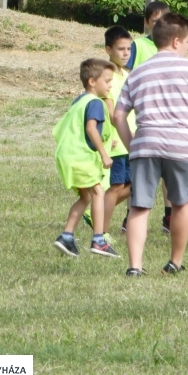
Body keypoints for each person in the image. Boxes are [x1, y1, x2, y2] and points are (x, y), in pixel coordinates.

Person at [113, 13, 188, 276]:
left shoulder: (137, 73)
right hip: (181, 143)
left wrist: (131, 143)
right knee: (181, 204)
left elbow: (118, 115)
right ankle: (174, 263)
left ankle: (134, 266)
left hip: (145, 144)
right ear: (176, 41)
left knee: (139, 205)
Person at [53, 58, 120, 258]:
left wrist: (108, 141)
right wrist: (104, 153)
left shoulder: (79, 101)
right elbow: (91, 129)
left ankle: (66, 236)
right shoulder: (95, 103)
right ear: (92, 81)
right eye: (107, 81)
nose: (110, 85)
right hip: (81, 157)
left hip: (68, 156)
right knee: (98, 192)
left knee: (86, 196)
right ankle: (99, 240)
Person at [123, 0, 173, 234]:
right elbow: (126, 74)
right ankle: (130, 215)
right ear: (145, 23)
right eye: (154, 22)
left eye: (163, 22)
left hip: (168, 115)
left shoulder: (174, 47)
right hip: (142, 116)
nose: (159, 27)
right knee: (140, 170)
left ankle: (169, 216)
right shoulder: (138, 46)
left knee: (169, 170)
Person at [100, 26, 135, 242]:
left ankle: (97, 208)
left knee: (136, 184)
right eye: (121, 49)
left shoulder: (129, 75)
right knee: (116, 186)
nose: (125, 53)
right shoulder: (108, 76)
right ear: (108, 49)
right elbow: (112, 114)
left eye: (129, 49)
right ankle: (101, 233)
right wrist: (117, 135)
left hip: (132, 139)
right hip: (118, 141)